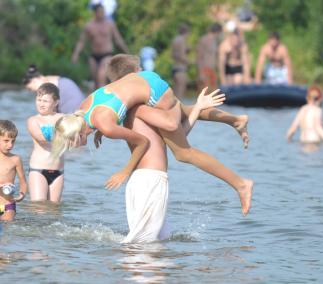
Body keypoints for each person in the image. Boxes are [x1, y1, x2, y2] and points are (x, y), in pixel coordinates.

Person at [52, 54, 253, 215]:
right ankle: (235, 120)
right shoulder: (82, 109)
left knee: (182, 151)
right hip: (145, 80)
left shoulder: (105, 125)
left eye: (70, 144)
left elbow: (142, 142)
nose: (72, 148)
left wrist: (125, 171)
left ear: (77, 135)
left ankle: (241, 184)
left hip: (155, 92)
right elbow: (106, 108)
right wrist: (102, 130)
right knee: (183, 111)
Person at [119, 85, 217, 243]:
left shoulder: (146, 112)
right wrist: (175, 104)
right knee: (143, 242)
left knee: (158, 239)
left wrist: (197, 107)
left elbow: (179, 137)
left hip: (145, 180)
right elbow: (173, 125)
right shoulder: (140, 109)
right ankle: (116, 265)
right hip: (150, 179)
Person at [72, 3, 129, 89]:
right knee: (95, 81)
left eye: (103, 12)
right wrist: (75, 54)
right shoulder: (89, 26)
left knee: (101, 78)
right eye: (100, 12)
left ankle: (104, 100)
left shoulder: (110, 24)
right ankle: (97, 99)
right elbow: (82, 41)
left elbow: (118, 39)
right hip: (94, 56)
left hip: (106, 54)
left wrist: (127, 52)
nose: (102, 14)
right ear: (95, 13)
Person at [27, 83, 65, 203]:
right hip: (38, 170)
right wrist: (66, 134)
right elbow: (41, 139)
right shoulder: (33, 120)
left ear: (56, 102)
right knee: (39, 208)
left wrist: (80, 136)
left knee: (54, 210)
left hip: (58, 172)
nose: (41, 104)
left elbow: (79, 138)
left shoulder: (63, 118)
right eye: (39, 100)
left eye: (45, 101)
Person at [0, 120, 28, 221]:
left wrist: (22, 194)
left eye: (13, 141)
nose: (10, 145)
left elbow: (23, 181)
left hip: (8, 205)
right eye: (6, 141)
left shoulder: (15, 159)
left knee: (7, 231)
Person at [196, 23, 222, 91]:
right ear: (217, 31)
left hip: (212, 70)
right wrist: (200, 73)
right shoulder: (204, 40)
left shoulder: (215, 41)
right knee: (205, 93)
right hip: (205, 69)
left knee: (214, 93)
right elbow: (199, 57)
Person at [171, 24, 190, 100]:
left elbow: (173, 54)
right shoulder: (182, 40)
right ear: (187, 32)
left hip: (175, 67)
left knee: (175, 90)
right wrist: (189, 62)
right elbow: (182, 56)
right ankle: (178, 109)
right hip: (181, 68)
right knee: (180, 91)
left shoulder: (175, 40)